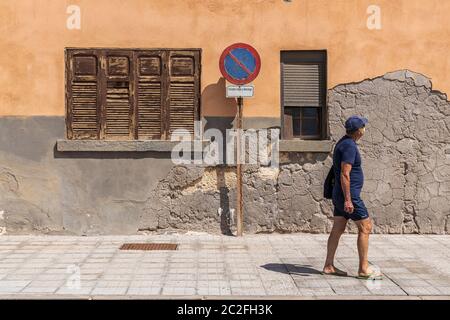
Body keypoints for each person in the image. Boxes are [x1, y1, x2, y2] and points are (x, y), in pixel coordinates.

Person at [322, 115, 382, 279]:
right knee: (365, 227)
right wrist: (349, 199)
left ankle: (328, 265)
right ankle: (363, 268)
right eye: (363, 126)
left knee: (338, 228)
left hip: (339, 194)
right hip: (349, 196)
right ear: (359, 131)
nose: (365, 129)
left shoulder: (343, 142)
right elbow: (345, 174)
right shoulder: (349, 146)